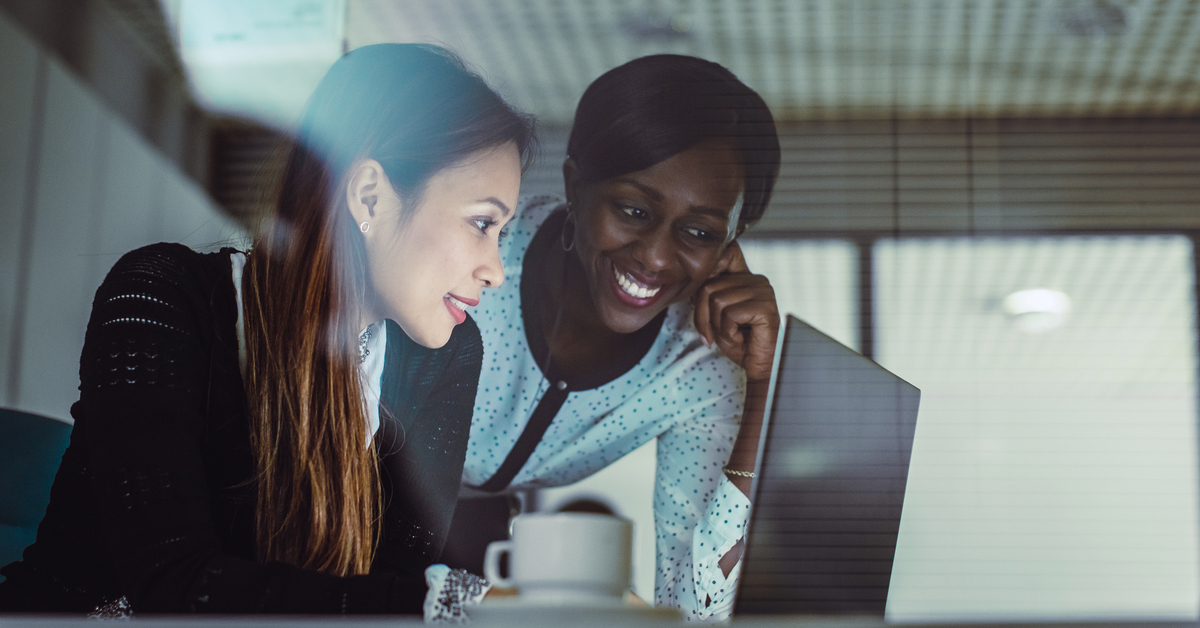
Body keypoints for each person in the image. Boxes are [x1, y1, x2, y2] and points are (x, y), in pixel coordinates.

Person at [0, 44, 534, 619]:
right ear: (370, 196)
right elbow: (176, 591)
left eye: (501, 233)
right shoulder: (163, 295)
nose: (496, 271)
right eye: (482, 223)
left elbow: (396, 591)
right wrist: (471, 606)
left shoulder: (445, 356)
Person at [442, 54, 781, 620]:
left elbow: (695, 609)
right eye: (633, 210)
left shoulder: (700, 374)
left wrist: (763, 387)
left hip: (472, 551)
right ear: (577, 186)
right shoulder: (482, 252)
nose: (654, 256)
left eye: (699, 232)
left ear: (729, 247)